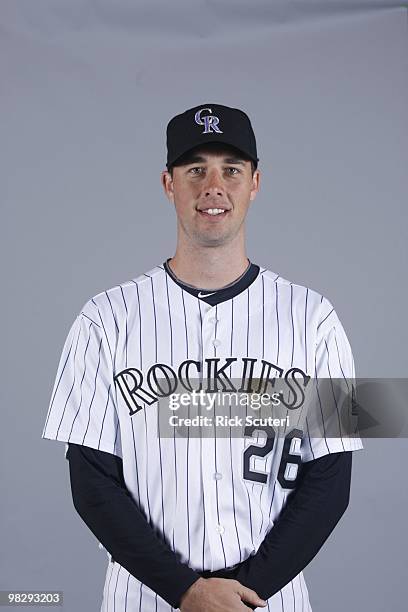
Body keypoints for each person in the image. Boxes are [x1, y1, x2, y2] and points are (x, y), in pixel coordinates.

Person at [41, 103, 364, 611]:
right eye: (196, 170)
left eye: (231, 170)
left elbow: (332, 478)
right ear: (168, 184)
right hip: (146, 599)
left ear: (255, 183)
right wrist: (184, 591)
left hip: (270, 601)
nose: (214, 186)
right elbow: (89, 480)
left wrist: (248, 593)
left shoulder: (315, 317)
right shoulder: (105, 319)